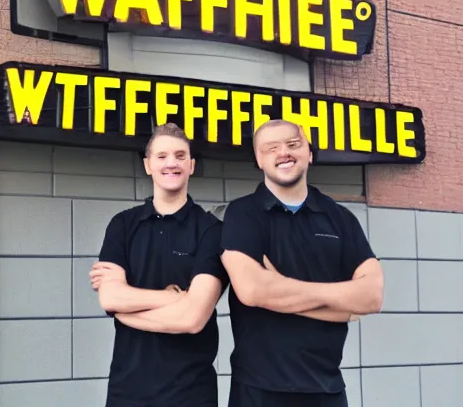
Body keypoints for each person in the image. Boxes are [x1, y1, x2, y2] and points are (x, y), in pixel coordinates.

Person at [220, 119, 384, 407]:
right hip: (258, 390)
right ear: (259, 159)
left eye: (293, 144)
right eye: (271, 148)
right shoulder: (242, 214)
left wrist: (280, 287)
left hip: (327, 388)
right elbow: (253, 291)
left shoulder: (340, 218)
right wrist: (342, 307)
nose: (283, 153)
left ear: (309, 152)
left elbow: (372, 296)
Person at [89, 123, 228, 407]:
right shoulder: (123, 225)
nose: (171, 163)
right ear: (148, 164)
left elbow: (192, 319)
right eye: (162, 156)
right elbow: (111, 296)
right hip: (127, 391)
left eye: (180, 156)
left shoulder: (211, 230)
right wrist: (171, 297)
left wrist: (125, 313)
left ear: (191, 165)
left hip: (191, 393)